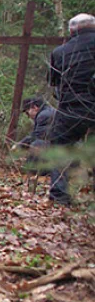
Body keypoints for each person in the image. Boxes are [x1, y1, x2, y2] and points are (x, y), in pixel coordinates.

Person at [46, 13, 95, 205]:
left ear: (72, 30)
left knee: (60, 149)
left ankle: (59, 195)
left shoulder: (60, 52)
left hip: (70, 110)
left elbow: (54, 83)